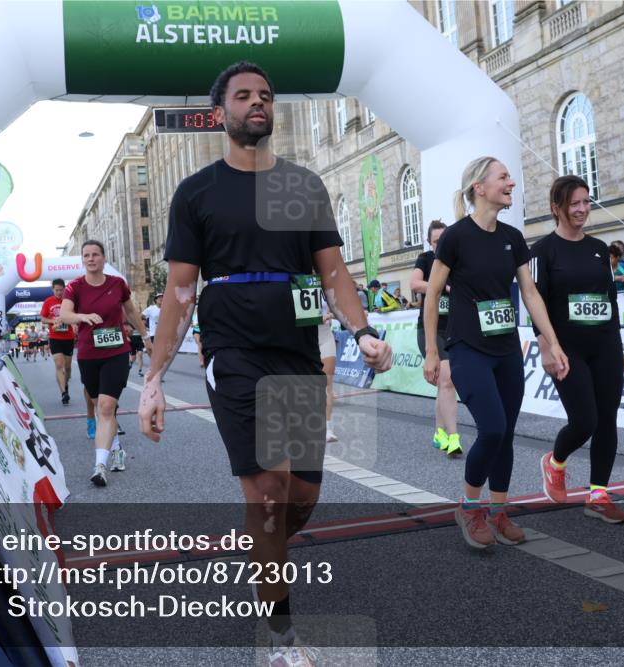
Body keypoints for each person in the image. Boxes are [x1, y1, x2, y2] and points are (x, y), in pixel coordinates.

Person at [138, 61, 392, 665]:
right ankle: (280, 638)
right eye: (245, 95)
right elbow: (179, 292)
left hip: (297, 349)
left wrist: (363, 331)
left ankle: (264, 550)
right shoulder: (197, 191)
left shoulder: (299, 185)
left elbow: (332, 271)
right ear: (220, 111)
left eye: (266, 96)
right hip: (234, 350)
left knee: (300, 498)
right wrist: (151, 380)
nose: (258, 103)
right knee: (271, 494)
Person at [423, 156, 569, 550]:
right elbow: (433, 294)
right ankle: (471, 507)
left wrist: (551, 341)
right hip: (468, 348)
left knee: (506, 435)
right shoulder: (455, 237)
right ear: (479, 188)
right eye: (503, 177)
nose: (512, 183)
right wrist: (433, 353)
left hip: (506, 349)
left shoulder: (512, 236)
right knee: (491, 429)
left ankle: (499, 512)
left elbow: (530, 293)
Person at [531, 175, 624, 524]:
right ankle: (555, 461)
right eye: (575, 203)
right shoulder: (542, 251)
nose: (583, 209)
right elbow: (535, 303)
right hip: (566, 348)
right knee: (585, 420)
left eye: (587, 202)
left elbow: (610, 301)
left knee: (608, 419)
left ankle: (598, 494)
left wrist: (618, 346)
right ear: (557, 207)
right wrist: (546, 347)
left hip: (604, 345)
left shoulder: (600, 248)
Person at [60, 240, 151, 486]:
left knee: (107, 406)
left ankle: (99, 466)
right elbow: (64, 314)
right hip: (89, 354)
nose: (91, 258)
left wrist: (144, 337)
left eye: (95, 254)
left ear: (103, 258)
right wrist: (81, 316)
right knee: (98, 404)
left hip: (116, 352)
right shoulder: (75, 287)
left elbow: (131, 312)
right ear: (83, 260)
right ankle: (117, 448)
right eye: (86, 255)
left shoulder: (117, 284)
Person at [411, 219, 462, 457]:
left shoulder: (457, 258)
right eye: (435, 242)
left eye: (443, 240)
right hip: (430, 330)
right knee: (447, 379)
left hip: (453, 328)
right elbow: (414, 283)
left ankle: (439, 432)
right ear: (429, 243)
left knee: (444, 382)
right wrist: (442, 286)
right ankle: (453, 437)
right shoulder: (425, 259)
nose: (439, 245)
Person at [41, 278, 77, 404]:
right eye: (56, 290)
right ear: (53, 290)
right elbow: (43, 319)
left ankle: (65, 385)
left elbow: (75, 317)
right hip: (55, 337)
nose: (59, 293)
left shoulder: (69, 302)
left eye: (61, 290)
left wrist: (74, 324)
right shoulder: (48, 302)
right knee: (59, 365)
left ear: (65, 289)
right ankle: (63, 393)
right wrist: (53, 321)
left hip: (68, 338)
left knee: (67, 367)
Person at [318, 301, 338, 443]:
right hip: (301, 336)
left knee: (327, 384)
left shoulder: (325, 282)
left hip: (324, 334)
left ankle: (327, 428)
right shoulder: (295, 279)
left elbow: (338, 307)